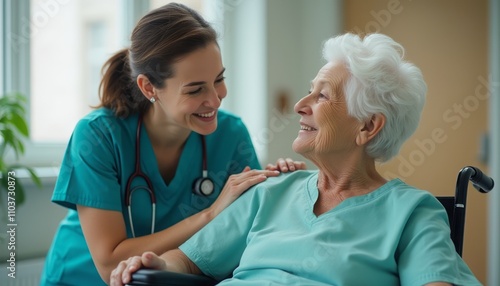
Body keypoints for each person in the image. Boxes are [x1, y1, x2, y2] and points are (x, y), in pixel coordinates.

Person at [110, 32, 481, 286]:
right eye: (308, 92)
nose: (301, 107)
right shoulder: (271, 191)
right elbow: (189, 261)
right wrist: (155, 263)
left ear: (368, 126)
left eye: (322, 97)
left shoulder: (413, 212)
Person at [40, 3, 305, 286]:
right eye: (195, 89)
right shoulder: (98, 136)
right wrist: (210, 213)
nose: (215, 99)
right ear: (148, 88)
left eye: (219, 80)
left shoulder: (231, 134)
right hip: (81, 279)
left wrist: (278, 189)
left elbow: (242, 233)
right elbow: (109, 264)